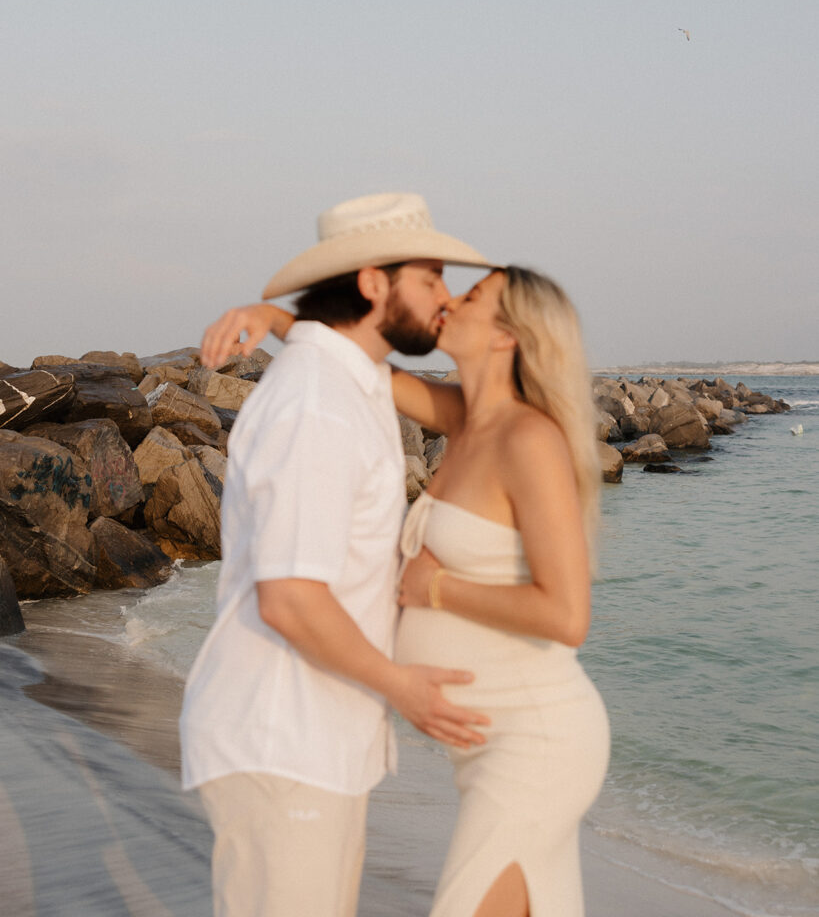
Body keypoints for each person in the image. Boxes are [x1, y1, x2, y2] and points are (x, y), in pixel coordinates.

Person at [205, 263, 609, 917]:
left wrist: (438, 588)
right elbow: (358, 361)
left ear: (508, 335)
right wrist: (274, 319)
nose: (448, 298)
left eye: (472, 296)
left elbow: (566, 616)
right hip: (483, 743)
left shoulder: (528, 438)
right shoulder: (461, 418)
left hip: (534, 742)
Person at [180, 192, 493, 917]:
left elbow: (463, 410)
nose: (443, 300)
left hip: (311, 739)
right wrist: (403, 686)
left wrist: (281, 320)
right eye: (431, 278)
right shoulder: (317, 403)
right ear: (373, 283)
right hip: (283, 737)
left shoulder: (346, 383)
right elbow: (289, 598)